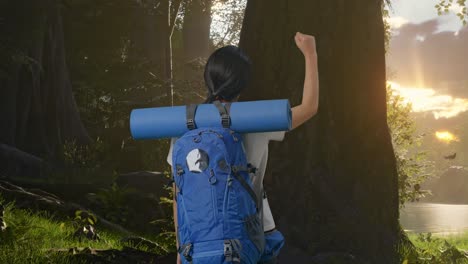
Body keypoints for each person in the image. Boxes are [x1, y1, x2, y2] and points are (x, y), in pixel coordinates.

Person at [167, 31, 319, 263]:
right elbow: (309, 107)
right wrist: (310, 53)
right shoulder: (257, 122)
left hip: (197, 245)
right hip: (248, 240)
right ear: (243, 84)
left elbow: (180, 194)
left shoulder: (185, 128)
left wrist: (181, 252)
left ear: (208, 78)